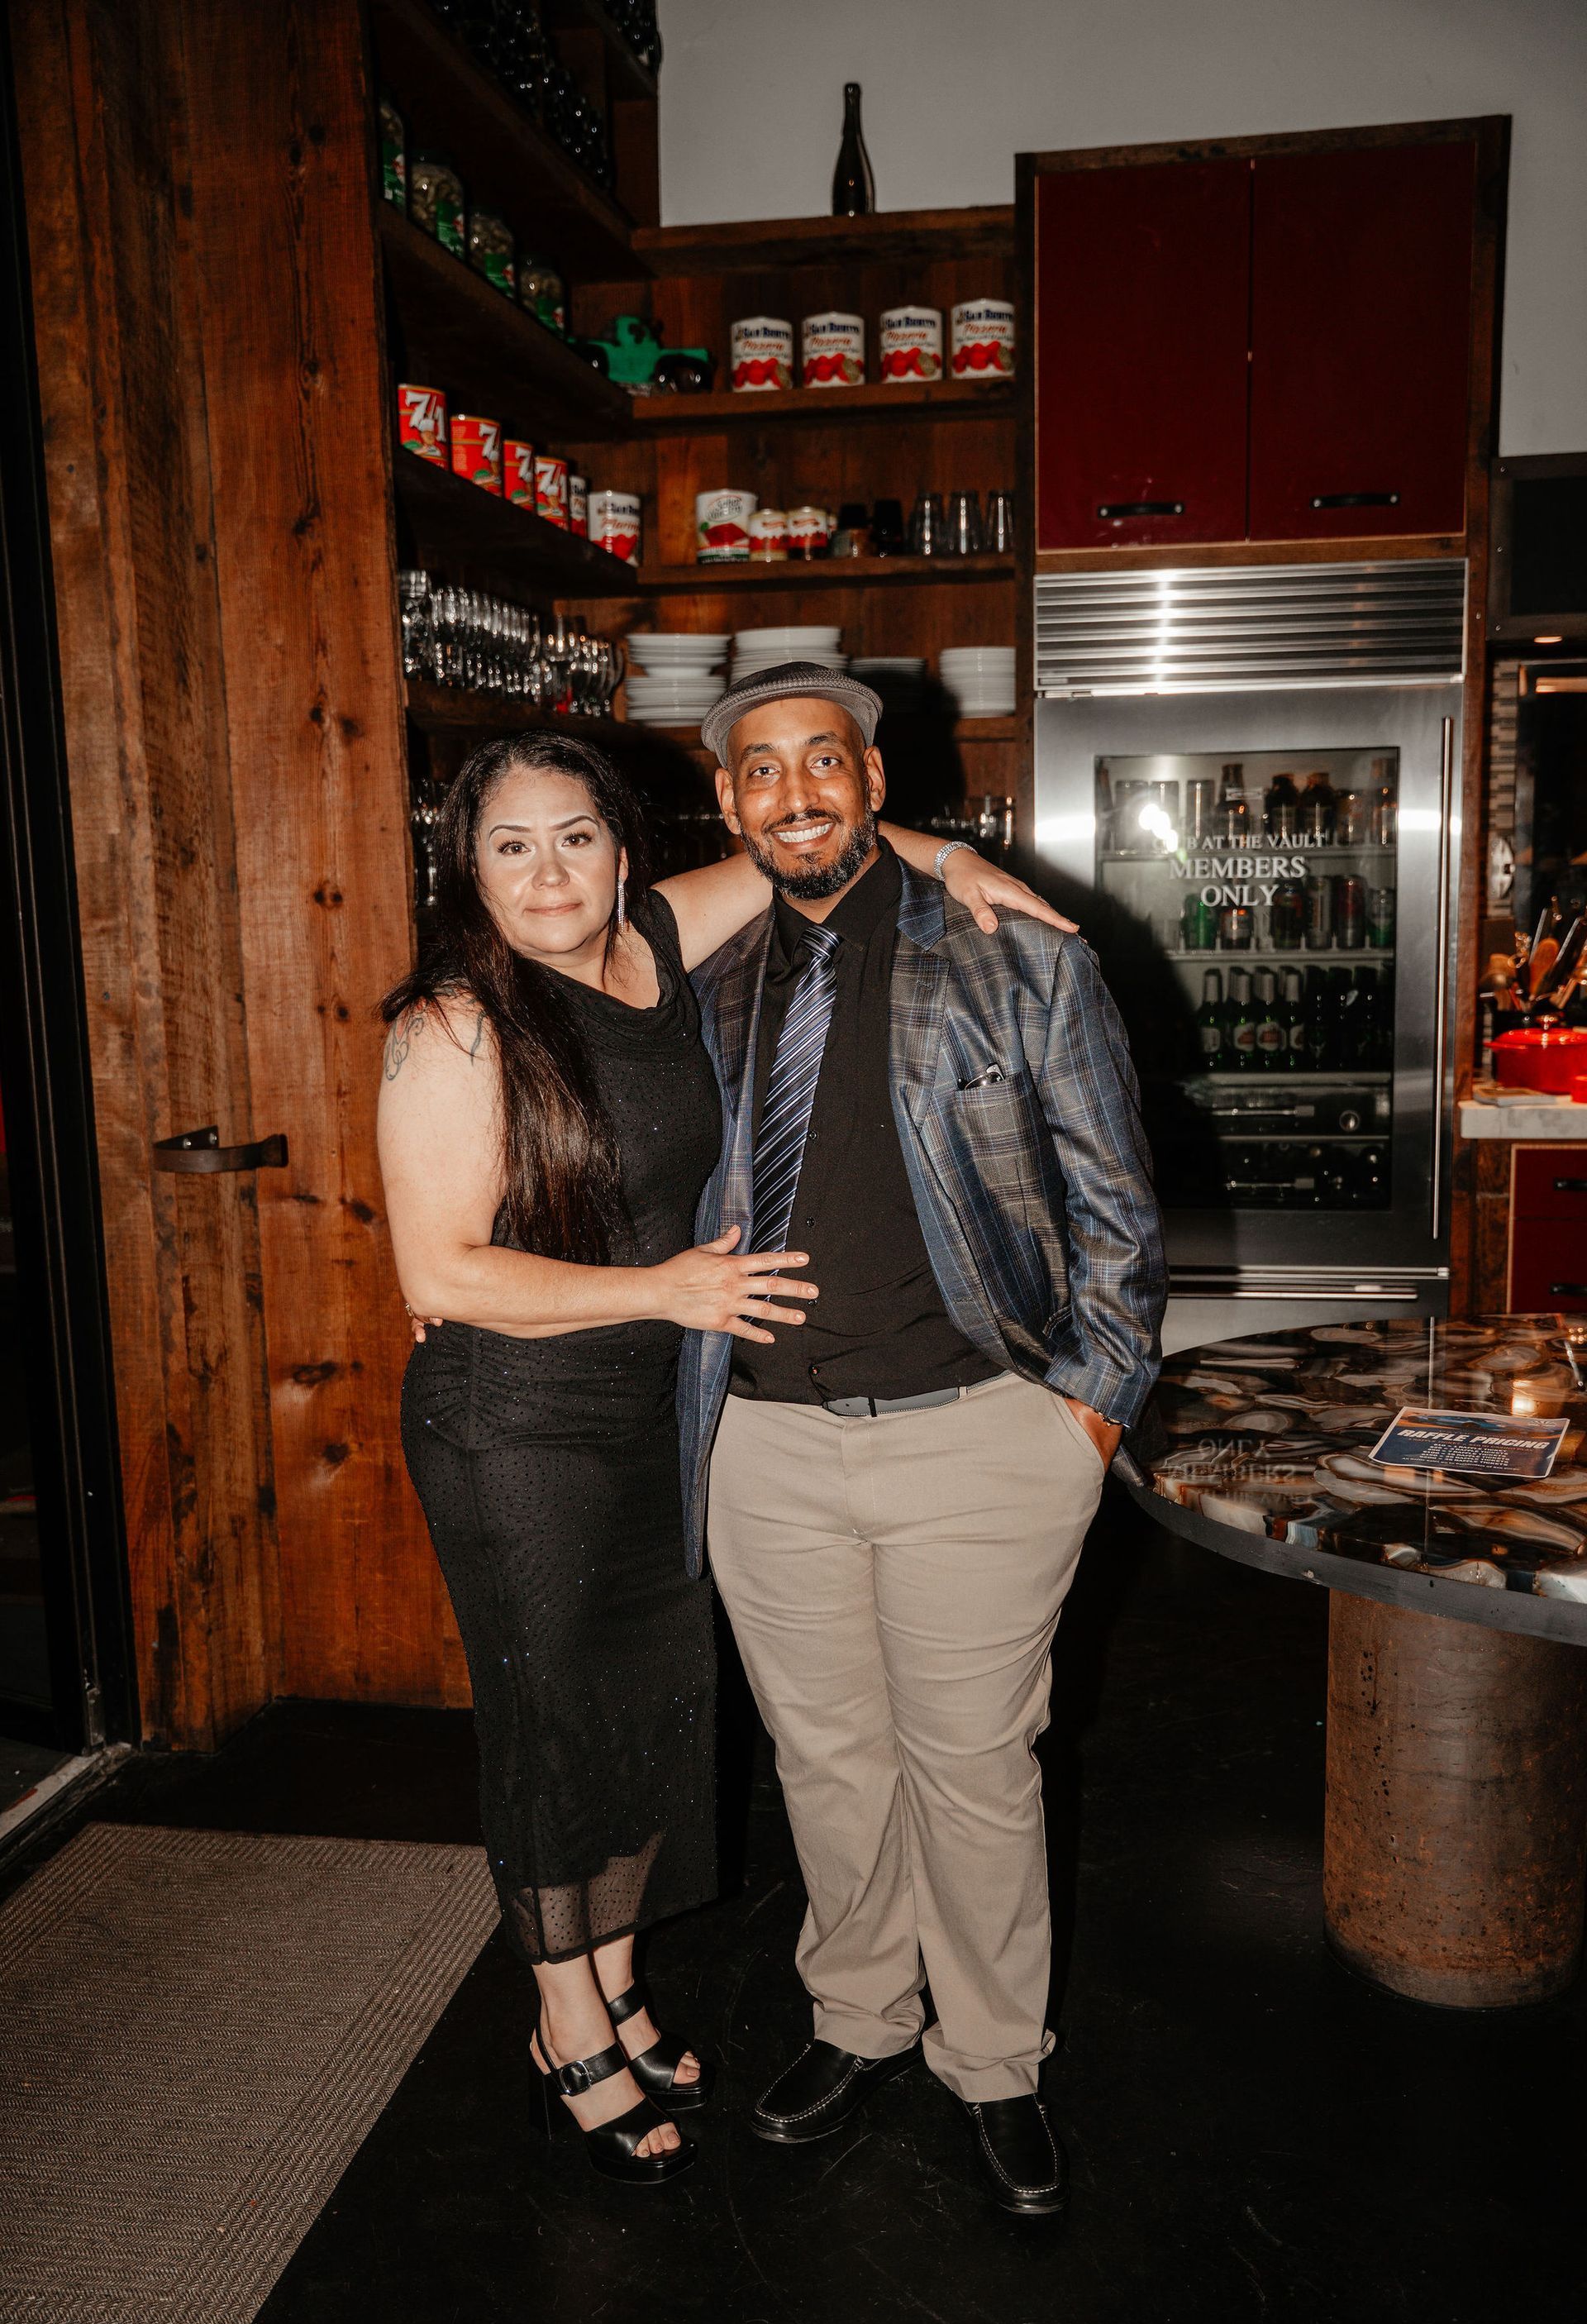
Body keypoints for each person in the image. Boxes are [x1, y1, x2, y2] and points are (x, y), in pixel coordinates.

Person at [376, 728, 1070, 2188]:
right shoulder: (453, 1022)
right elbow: (437, 1274)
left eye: (575, 836)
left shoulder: (644, 943)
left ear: (624, 849)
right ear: (467, 872)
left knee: (641, 1713)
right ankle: (567, 2023)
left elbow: (800, 847)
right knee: (554, 1730)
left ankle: (616, 1979)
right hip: (517, 1430)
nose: (549, 871)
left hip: (653, 1420)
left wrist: (950, 853)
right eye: (510, 846)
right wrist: (666, 1291)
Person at [678, 665, 1167, 2217]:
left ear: (879, 783)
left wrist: (1085, 1410)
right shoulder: (707, 976)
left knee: (973, 1767)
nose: (798, 792)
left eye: (826, 761)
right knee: (826, 1762)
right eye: (763, 770)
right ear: (728, 803)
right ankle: (860, 2020)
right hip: (762, 1446)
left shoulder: (1012, 953)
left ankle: (998, 2062)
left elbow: (1115, 1208)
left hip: (984, 1434)